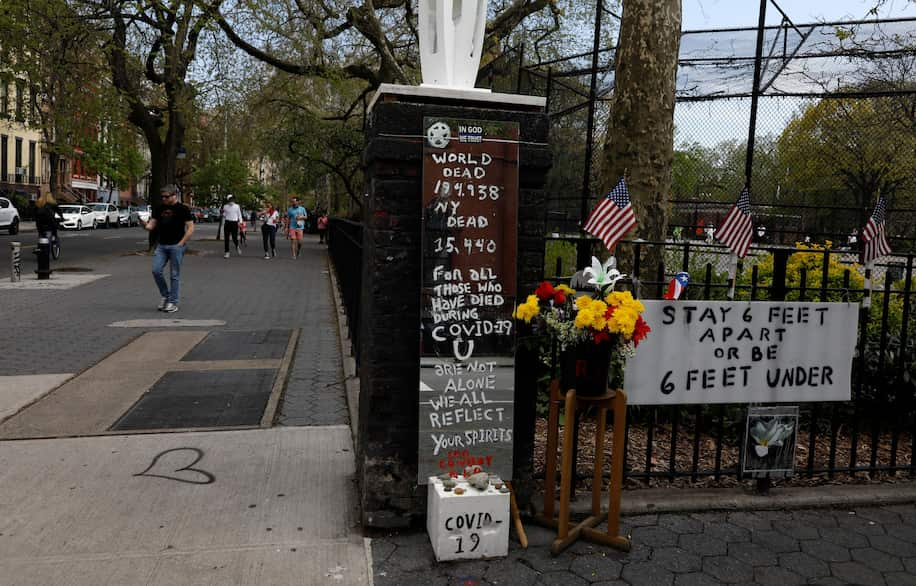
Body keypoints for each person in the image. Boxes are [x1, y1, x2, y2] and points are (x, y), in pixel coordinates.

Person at [140, 184, 194, 313]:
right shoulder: (159, 209)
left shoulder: (182, 209)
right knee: (156, 270)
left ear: (174, 195)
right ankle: (166, 295)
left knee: (174, 275)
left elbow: (190, 228)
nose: (163, 199)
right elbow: (150, 226)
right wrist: (143, 224)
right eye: (162, 197)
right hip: (162, 245)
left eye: (166, 196)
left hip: (176, 246)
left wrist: (181, 243)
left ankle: (173, 302)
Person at [222, 194, 243, 258]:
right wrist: (223, 214)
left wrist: (241, 222)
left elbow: (239, 215)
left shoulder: (237, 206)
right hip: (227, 223)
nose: (231, 201)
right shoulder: (225, 206)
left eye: (232, 199)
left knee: (234, 238)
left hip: (234, 223)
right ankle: (227, 252)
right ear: (228, 200)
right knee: (226, 238)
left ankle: (237, 246)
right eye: (230, 199)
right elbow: (224, 214)